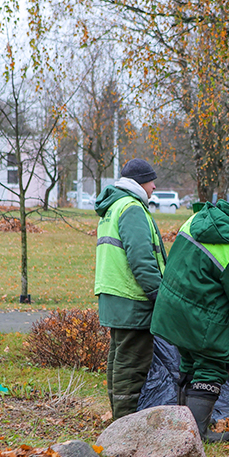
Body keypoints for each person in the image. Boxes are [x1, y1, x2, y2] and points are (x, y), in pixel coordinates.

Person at [151, 194, 229, 442]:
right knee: (210, 367)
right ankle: (196, 434)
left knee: (188, 362)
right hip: (200, 318)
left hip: (172, 308)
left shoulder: (197, 219)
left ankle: (181, 427)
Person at [94, 158, 167, 420]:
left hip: (114, 295)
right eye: (151, 181)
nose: (155, 186)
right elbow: (141, 259)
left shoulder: (113, 206)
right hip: (132, 298)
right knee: (132, 364)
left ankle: (118, 417)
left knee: (119, 359)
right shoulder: (132, 208)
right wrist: (160, 296)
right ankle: (125, 424)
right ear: (139, 183)